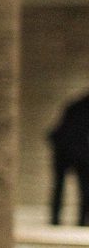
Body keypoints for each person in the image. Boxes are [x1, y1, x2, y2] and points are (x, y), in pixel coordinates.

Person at [48, 92, 89, 226]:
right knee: (83, 188)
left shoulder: (76, 106)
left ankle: (58, 219)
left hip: (69, 150)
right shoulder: (79, 107)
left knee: (80, 188)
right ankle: (79, 221)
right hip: (73, 152)